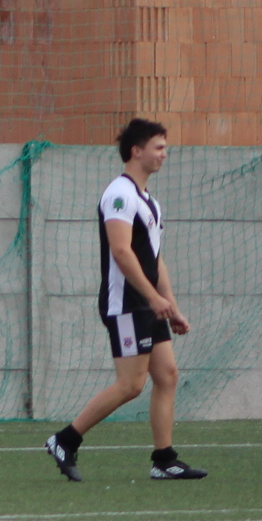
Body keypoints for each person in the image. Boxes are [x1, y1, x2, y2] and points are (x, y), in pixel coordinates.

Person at [43, 118, 205, 482]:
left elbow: (156, 260)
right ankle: (64, 440)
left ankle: (164, 460)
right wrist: (151, 297)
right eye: (158, 147)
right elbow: (120, 251)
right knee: (131, 384)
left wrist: (171, 306)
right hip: (127, 304)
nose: (164, 154)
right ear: (136, 151)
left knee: (167, 375)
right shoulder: (119, 194)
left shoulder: (150, 203)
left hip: (148, 304)